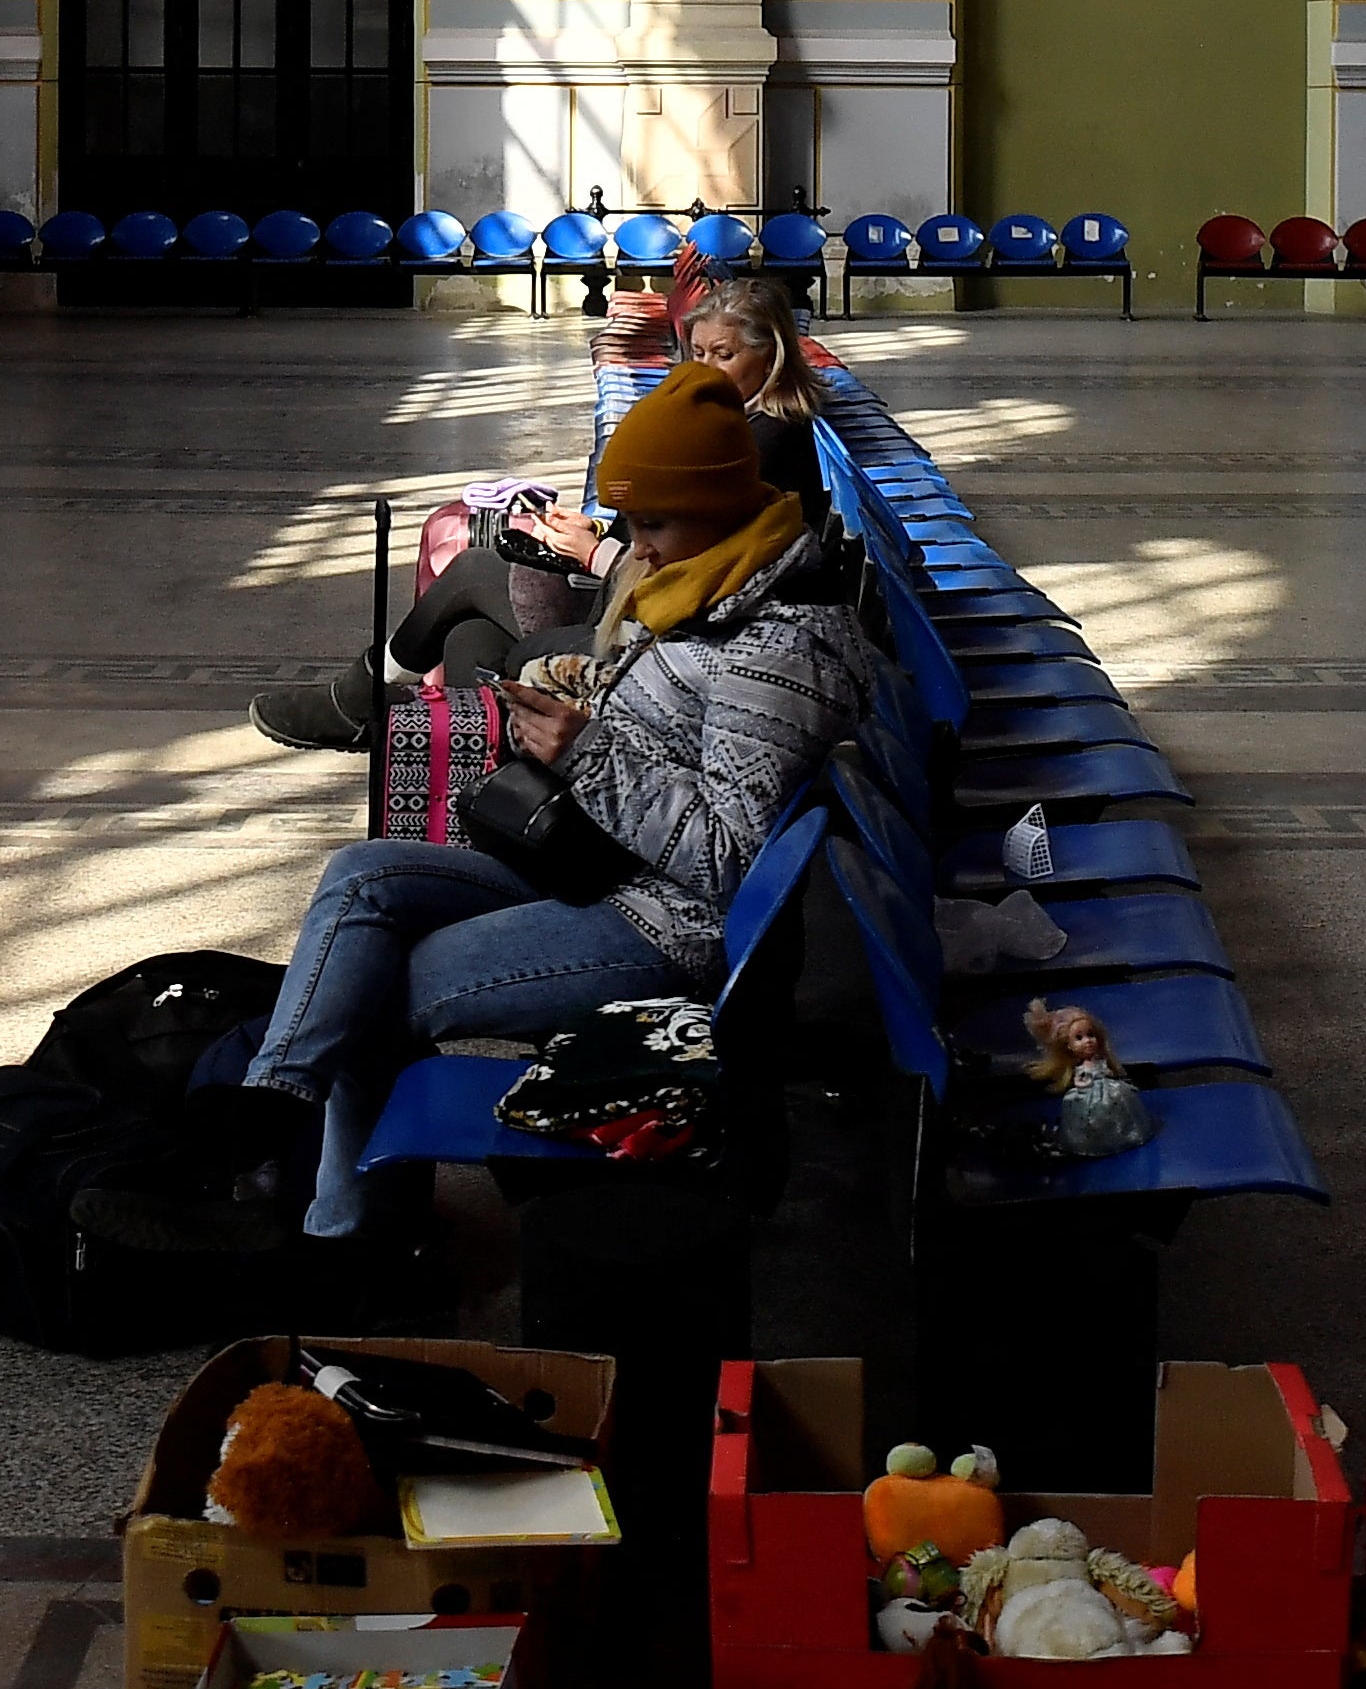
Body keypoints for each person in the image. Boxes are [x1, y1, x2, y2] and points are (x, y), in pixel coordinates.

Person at [107, 362, 874, 1246]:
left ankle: (342, 1237)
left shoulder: (773, 649)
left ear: (725, 504)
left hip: (664, 923)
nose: (639, 546)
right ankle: (270, 1108)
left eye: (655, 523)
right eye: (630, 522)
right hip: (601, 866)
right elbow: (679, 731)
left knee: (376, 991)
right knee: (362, 876)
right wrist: (580, 693)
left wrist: (583, 752)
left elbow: (728, 858)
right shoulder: (714, 587)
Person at [250, 269, 820, 751]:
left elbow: (699, 577)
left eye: (723, 355)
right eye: (695, 353)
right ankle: (446, 760)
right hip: (627, 598)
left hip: (639, 623)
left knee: (474, 579)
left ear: (772, 355)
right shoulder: (734, 426)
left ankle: (371, 709)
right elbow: (673, 544)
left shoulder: (762, 445)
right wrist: (593, 531)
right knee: (468, 625)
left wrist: (597, 552)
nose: (704, 369)